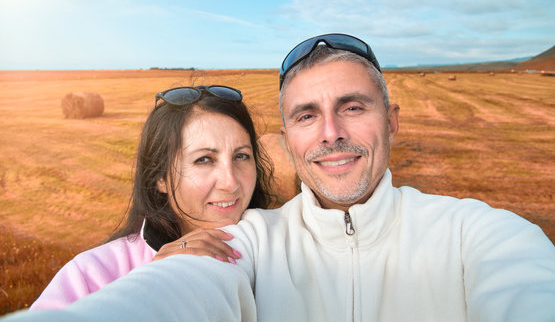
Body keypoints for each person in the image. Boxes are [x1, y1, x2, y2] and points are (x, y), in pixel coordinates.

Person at [3, 34, 555, 321]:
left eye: (354, 107)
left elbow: (527, 287)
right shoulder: (246, 246)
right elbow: (179, 295)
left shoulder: (478, 235)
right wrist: (153, 276)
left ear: (393, 122)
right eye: (306, 115)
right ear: (290, 139)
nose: (331, 132)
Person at [29, 84, 274, 309]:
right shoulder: (90, 275)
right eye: (204, 160)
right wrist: (148, 288)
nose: (230, 182)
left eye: (241, 156)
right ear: (160, 178)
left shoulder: (285, 251)